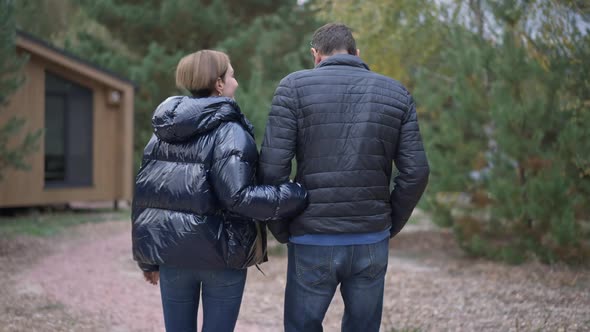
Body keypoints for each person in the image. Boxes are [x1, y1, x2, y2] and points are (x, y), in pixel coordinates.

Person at [258, 23, 430, 332]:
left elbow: (272, 169)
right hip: (371, 236)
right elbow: (416, 172)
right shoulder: (396, 92)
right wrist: (389, 222)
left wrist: (282, 227)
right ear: (357, 53)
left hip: (311, 234)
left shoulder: (293, 88)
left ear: (316, 55)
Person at [131, 50, 307, 332]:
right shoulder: (230, 132)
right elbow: (239, 197)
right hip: (221, 256)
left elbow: (147, 198)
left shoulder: (160, 134)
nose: (236, 82)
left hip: (173, 256)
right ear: (219, 84)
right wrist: (296, 194)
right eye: (232, 75)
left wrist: (147, 260)